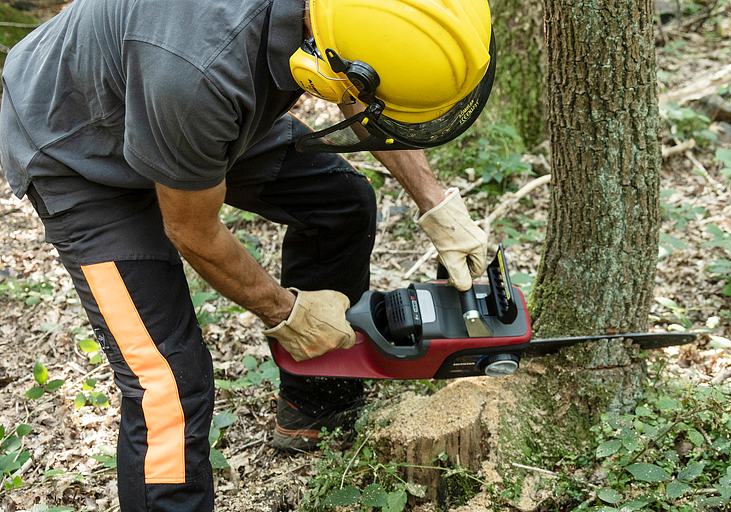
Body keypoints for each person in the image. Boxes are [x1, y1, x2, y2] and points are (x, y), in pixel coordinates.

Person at [0, 0, 495, 509]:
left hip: (174, 104)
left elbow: (362, 96)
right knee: (167, 383)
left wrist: (436, 206)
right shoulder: (199, 75)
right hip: (76, 145)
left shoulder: (340, 19)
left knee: (340, 203)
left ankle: (315, 402)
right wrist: (288, 312)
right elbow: (192, 230)